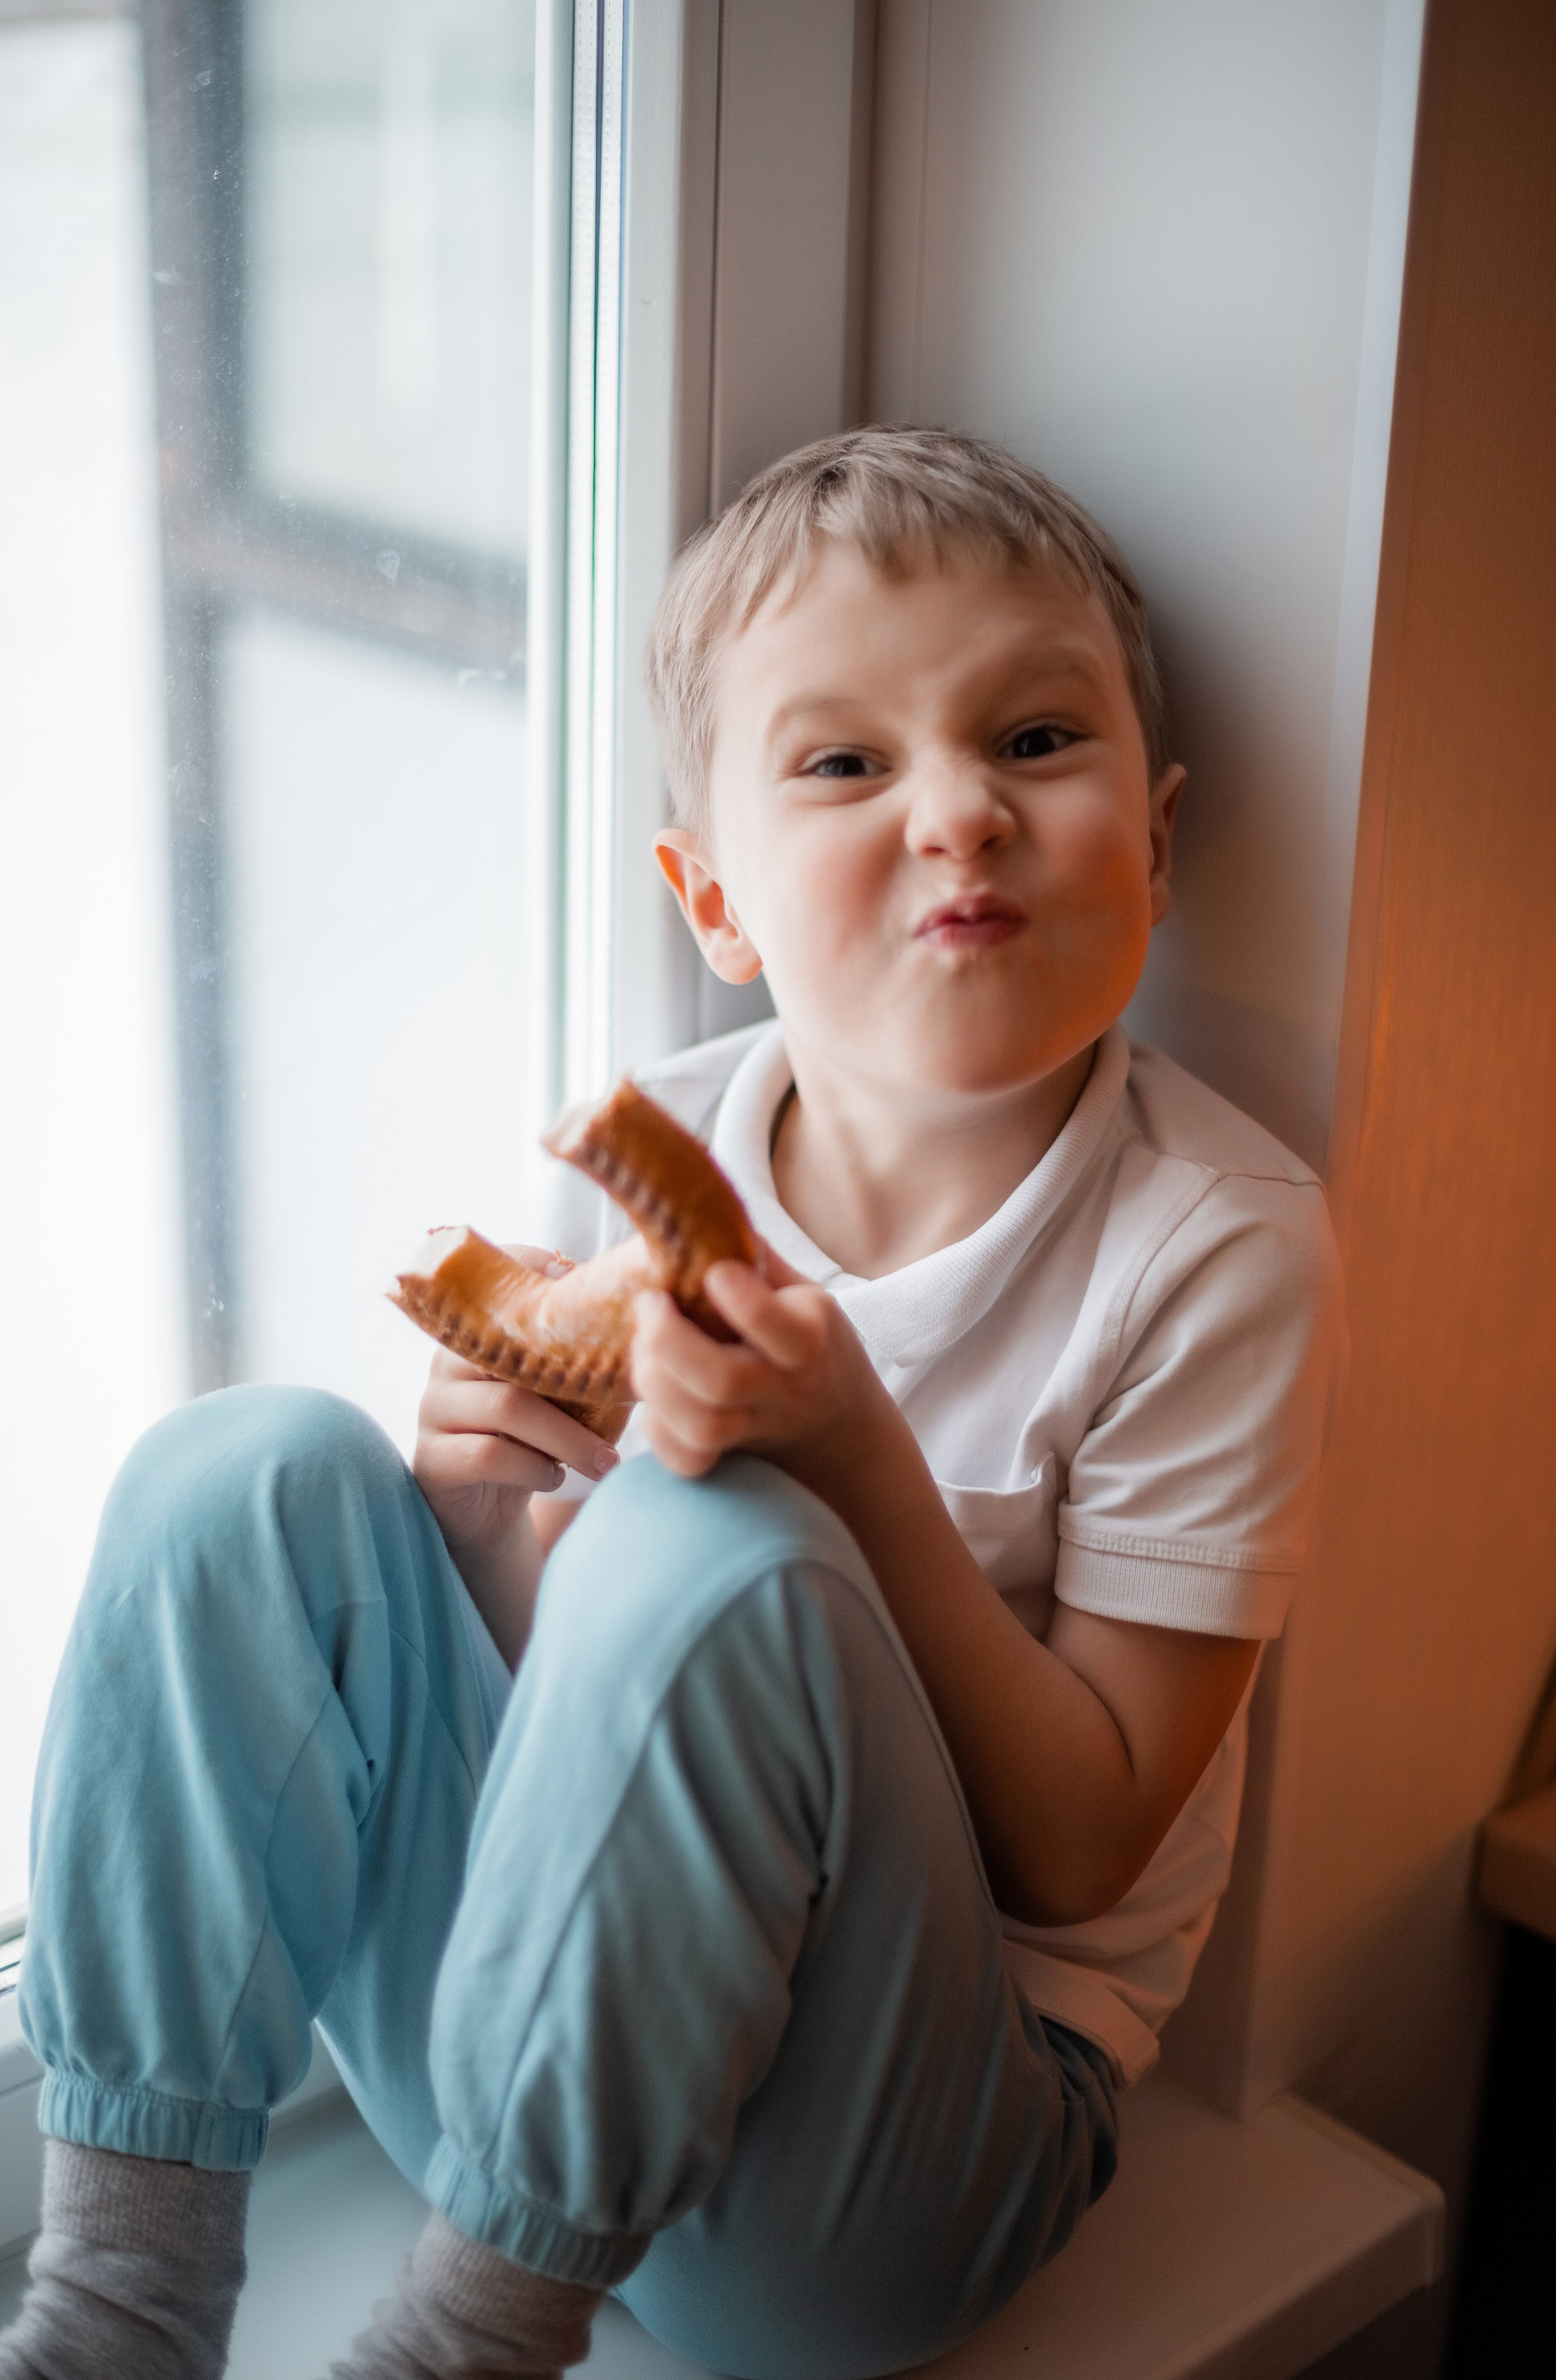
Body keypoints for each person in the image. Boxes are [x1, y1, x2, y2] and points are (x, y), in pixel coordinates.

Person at [1, 428, 1344, 2380]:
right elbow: (598, 1730)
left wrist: (851, 1455)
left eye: (1037, 741)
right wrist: (477, 1529)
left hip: (888, 2173)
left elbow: (1084, 1851)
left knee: (729, 1537)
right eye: (847, 762)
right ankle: (115, 2308)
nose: (959, 810)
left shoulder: (1213, 1246)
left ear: (1155, 830)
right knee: (247, 1474)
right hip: (550, 2079)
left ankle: (457, 2354)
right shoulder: (667, 1151)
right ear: (712, 896)